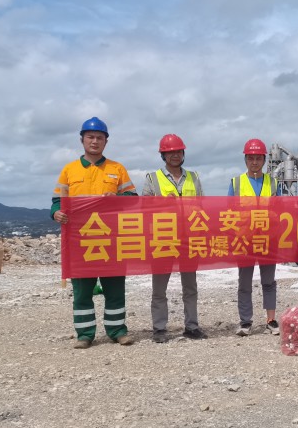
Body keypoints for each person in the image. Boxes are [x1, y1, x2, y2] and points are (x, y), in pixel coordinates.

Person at [51, 117, 137, 348]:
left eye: (100, 137)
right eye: (90, 137)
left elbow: (132, 198)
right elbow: (57, 201)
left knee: (115, 290)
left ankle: (117, 331)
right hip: (80, 241)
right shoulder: (69, 170)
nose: (95, 141)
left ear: (106, 141)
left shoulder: (117, 169)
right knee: (82, 291)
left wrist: (116, 197)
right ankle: (85, 334)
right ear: (82, 140)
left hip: (112, 240)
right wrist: (56, 213)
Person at [141, 134, 206, 342]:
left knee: (190, 286)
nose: (175, 155)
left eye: (178, 151)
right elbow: (143, 208)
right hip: (163, 239)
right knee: (159, 288)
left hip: (189, 239)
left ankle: (192, 326)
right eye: (170, 152)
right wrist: (160, 202)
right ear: (163, 155)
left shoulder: (194, 177)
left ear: (183, 153)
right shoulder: (152, 178)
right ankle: (159, 328)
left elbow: (202, 206)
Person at [229, 138, 281, 335]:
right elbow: (228, 212)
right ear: (245, 160)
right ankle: (245, 322)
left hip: (268, 239)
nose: (254, 162)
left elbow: (280, 210)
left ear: (264, 160)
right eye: (251, 158)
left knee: (269, 282)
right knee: (244, 283)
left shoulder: (272, 183)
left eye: (258, 158)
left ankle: (271, 320)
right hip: (244, 240)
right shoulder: (236, 183)